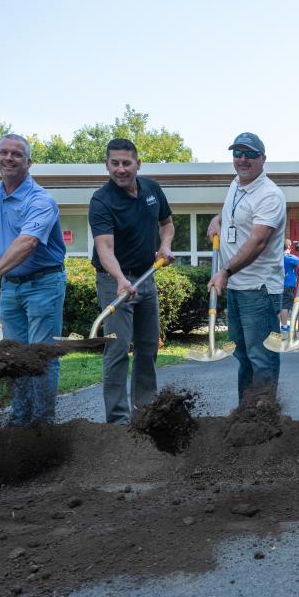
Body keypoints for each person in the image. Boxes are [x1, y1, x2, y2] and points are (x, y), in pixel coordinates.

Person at [0, 134, 67, 425]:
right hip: (12, 288)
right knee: (13, 356)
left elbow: (27, 243)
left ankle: (42, 423)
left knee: (39, 356)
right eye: (4, 153)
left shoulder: (41, 200)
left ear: (28, 162)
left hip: (44, 285)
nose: (9, 158)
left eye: (17, 154)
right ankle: (19, 419)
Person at [88, 138, 175, 424]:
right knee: (118, 348)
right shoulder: (102, 201)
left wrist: (165, 246)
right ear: (107, 165)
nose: (121, 169)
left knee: (148, 346)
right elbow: (104, 249)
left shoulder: (151, 188)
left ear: (138, 163)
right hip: (114, 281)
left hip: (146, 277)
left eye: (126, 163)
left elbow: (167, 223)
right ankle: (117, 421)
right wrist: (120, 279)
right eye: (114, 163)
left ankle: (145, 412)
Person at [206, 132, 287, 403]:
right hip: (237, 288)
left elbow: (258, 241)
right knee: (243, 355)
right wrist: (218, 219)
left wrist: (225, 272)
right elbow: (236, 215)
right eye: (238, 153)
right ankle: (246, 414)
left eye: (250, 154)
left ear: (263, 159)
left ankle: (264, 417)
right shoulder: (236, 184)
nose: (243, 159)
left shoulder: (270, 195)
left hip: (259, 289)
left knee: (261, 356)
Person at [280, 239, 299, 332]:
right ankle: (284, 326)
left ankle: (284, 325)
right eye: (290, 245)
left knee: (285, 304)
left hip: (282, 284)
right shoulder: (289, 257)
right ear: (288, 247)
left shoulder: (279, 257)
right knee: (285, 305)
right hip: (288, 285)